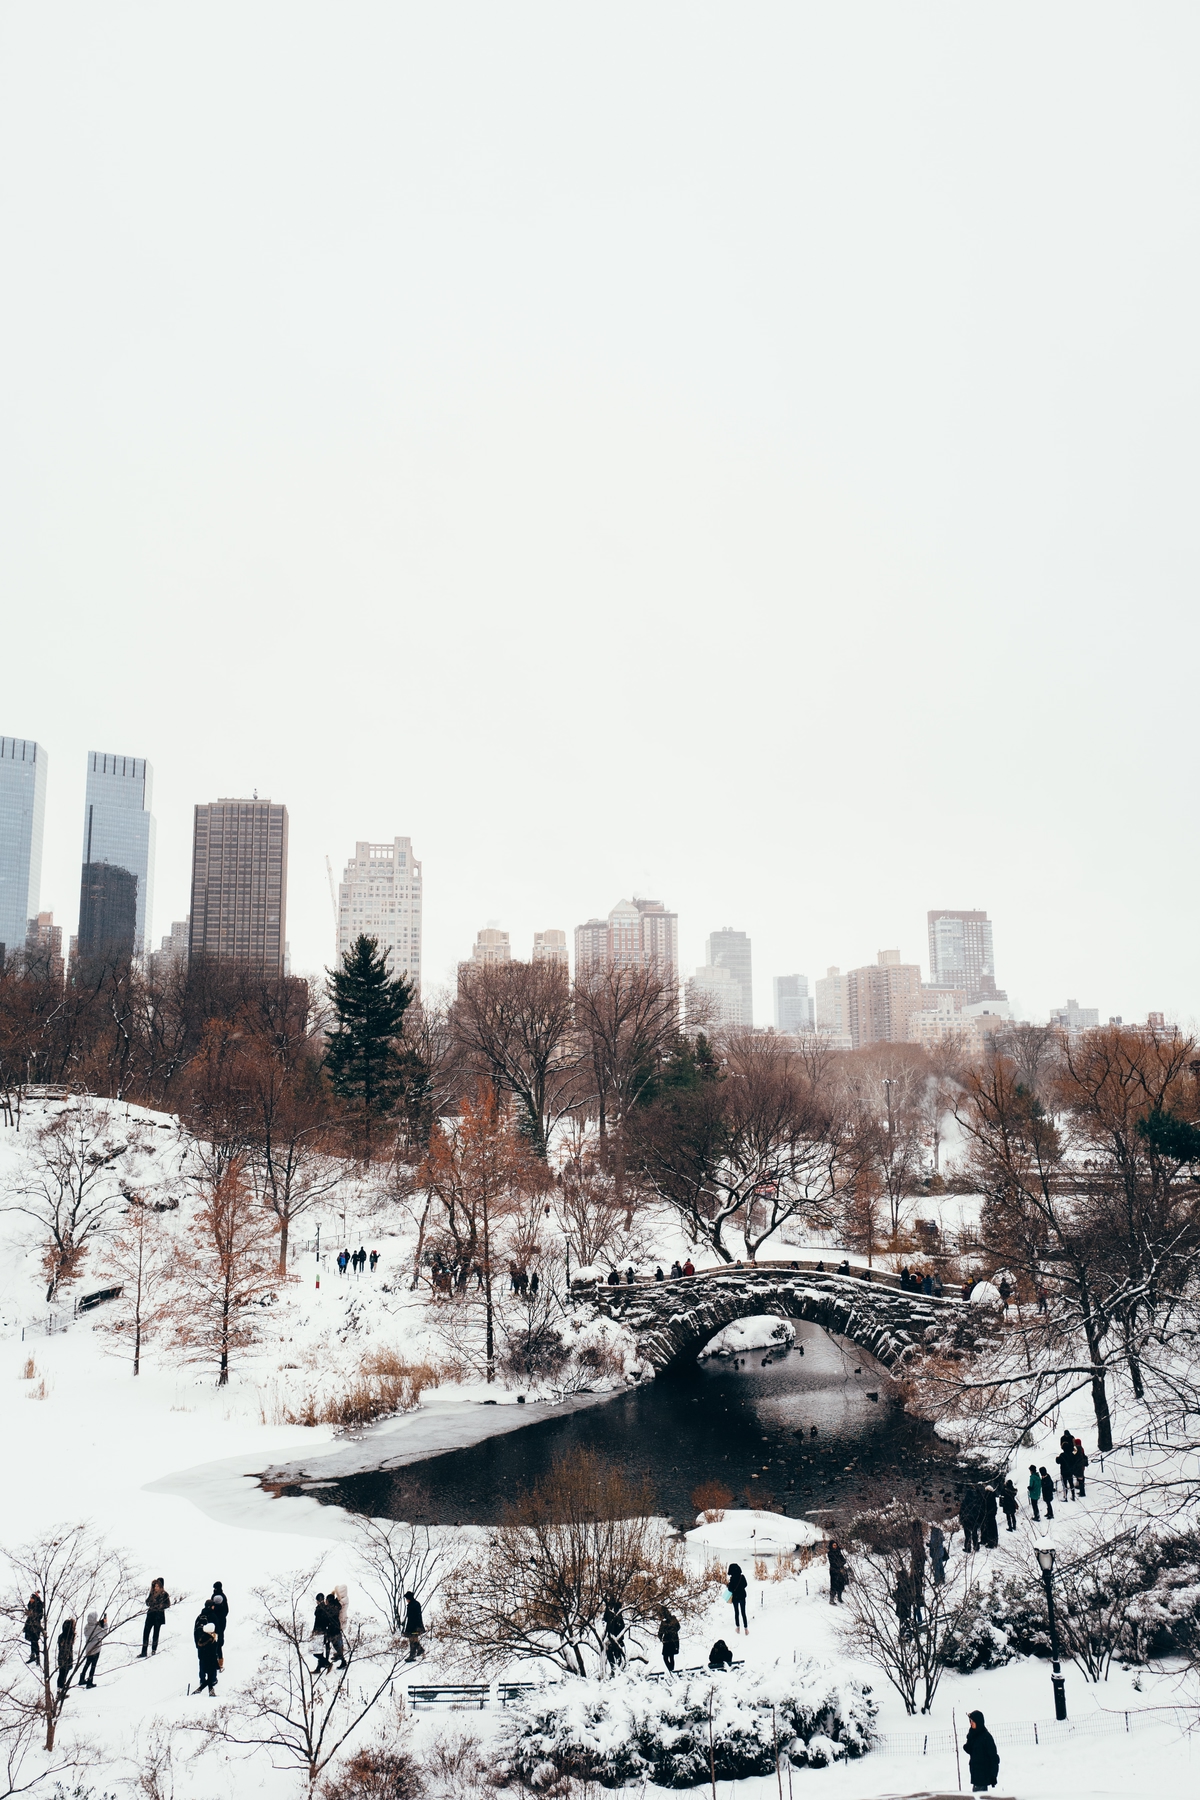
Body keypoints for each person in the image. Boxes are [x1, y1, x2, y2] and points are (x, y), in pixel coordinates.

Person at [964, 1709, 1000, 1792]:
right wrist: (968, 1748)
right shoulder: (973, 1734)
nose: (971, 1723)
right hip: (975, 1773)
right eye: (970, 1721)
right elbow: (975, 1751)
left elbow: (994, 1758)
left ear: (978, 1722)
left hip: (983, 1774)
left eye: (973, 1721)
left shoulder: (986, 1737)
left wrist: (993, 1775)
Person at [140, 1578, 171, 1657]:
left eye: (157, 1586)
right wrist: (149, 1602)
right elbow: (147, 1601)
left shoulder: (165, 1594)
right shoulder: (152, 1593)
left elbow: (167, 1604)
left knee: (156, 1633)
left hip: (158, 1616)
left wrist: (161, 1606)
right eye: (155, 1586)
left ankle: (154, 1649)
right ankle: (144, 1651)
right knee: (146, 1633)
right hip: (150, 1615)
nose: (156, 1587)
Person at [77, 1612, 105, 1688]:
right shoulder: (96, 1628)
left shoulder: (87, 1627)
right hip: (96, 1649)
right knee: (93, 1666)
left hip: (88, 1649)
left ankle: (81, 1678)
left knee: (87, 1664)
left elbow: (93, 1627)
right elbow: (104, 1632)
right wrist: (105, 1624)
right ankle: (90, 1682)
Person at [196, 1621, 220, 1696]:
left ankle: (211, 1691)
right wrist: (216, 1664)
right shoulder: (211, 1640)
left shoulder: (202, 1638)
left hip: (204, 1661)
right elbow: (213, 1654)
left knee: (209, 1677)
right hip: (211, 1661)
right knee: (210, 1678)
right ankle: (199, 1690)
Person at [959, 1483, 983, 1553]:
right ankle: (976, 1547)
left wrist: (961, 1520)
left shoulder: (964, 1502)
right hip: (974, 1520)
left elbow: (961, 1512)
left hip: (966, 1521)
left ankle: (967, 1548)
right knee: (975, 1534)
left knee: (967, 1535)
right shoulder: (975, 1502)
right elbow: (978, 1511)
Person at [311, 1593, 332, 1671]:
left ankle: (327, 1663)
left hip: (319, 1632)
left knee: (316, 1652)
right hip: (323, 1632)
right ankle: (319, 1666)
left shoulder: (321, 1608)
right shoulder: (325, 1608)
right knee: (319, 1651)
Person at [603, 1599, 626, 1670]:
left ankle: (617, 1670)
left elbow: (621, 1626)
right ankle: (615, 1670)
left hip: (616, 1639)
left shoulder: (617, 1613)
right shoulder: (611, 1612)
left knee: (617, 1656)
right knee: (612, 1656)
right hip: (612, 1639)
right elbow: (605, 1620)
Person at [402, 1590, 425, 1662]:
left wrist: (409, 1629)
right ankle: (420, 1650)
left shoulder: (411, 1606)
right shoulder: (416, 1604)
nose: (406, 1600)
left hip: (413, 1627)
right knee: (414, 1640)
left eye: (406, 1599)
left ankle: (412, 1656)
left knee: (412, 1641)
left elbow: (411, 1619)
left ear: (409, 1598)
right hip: (418, 1626)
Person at [727, 1563, 749, 1634]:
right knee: (743, 1613)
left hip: (735, 1598)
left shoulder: (732, 1579)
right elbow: (745, 1584)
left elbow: (730, 1589)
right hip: (742, 1597)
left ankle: (738, 1628)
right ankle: (746, 1629)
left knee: (736, 1613)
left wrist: (730, 1586)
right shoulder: (742, 1577)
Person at [207, 1582, 229, 1652]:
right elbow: (227, 1609)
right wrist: (223, 1616)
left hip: (214, 1619)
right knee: (221, 1633)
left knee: (213, 1635)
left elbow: (210, 1608)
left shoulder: (213, 1596)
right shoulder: (223, 1596)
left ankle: (215, 1647)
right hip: (222, 1619)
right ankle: (219, 1648)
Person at [22, 1592, 43, 1664]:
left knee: (35, 1641)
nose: (30, 1600)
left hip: (35, 1626)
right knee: (32, 1641)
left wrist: (33, 1616)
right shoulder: (30, 1606)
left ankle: (37, 1657)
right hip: (30, 1625)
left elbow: (40, 1616)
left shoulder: (38, 1606)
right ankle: (33, 1655)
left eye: (32, 1598)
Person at [56, 1619, 76, 1692]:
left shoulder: (61, 1636)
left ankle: (60, 1689)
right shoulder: (69, 1637)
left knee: (61, 1673)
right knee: (63, 1674)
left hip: (61, 1657)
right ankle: (61, 1690)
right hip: (66, 1658)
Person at [827, 1540, 849, 1604]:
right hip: (834, 1571)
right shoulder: (830, 1553)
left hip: (840, 1571)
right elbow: (833, 1562)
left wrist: (840, 1564)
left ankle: (839, 1598)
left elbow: (844, 1560)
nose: (835, 1546)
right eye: (834, 1545)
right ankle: (831, 1600)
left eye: (836, 1545)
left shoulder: (838, 1552)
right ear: (831, 1546)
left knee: (841, 1584)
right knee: (834, 1585)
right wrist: (840, 1564)